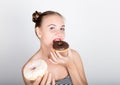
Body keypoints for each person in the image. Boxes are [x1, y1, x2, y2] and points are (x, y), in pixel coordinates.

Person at [22, 10, 88, 85]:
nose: (59, 33)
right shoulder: (29, 70)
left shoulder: (73, 55)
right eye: (52, 28)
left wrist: (70, 65)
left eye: (62, 28)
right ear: (39, 32)